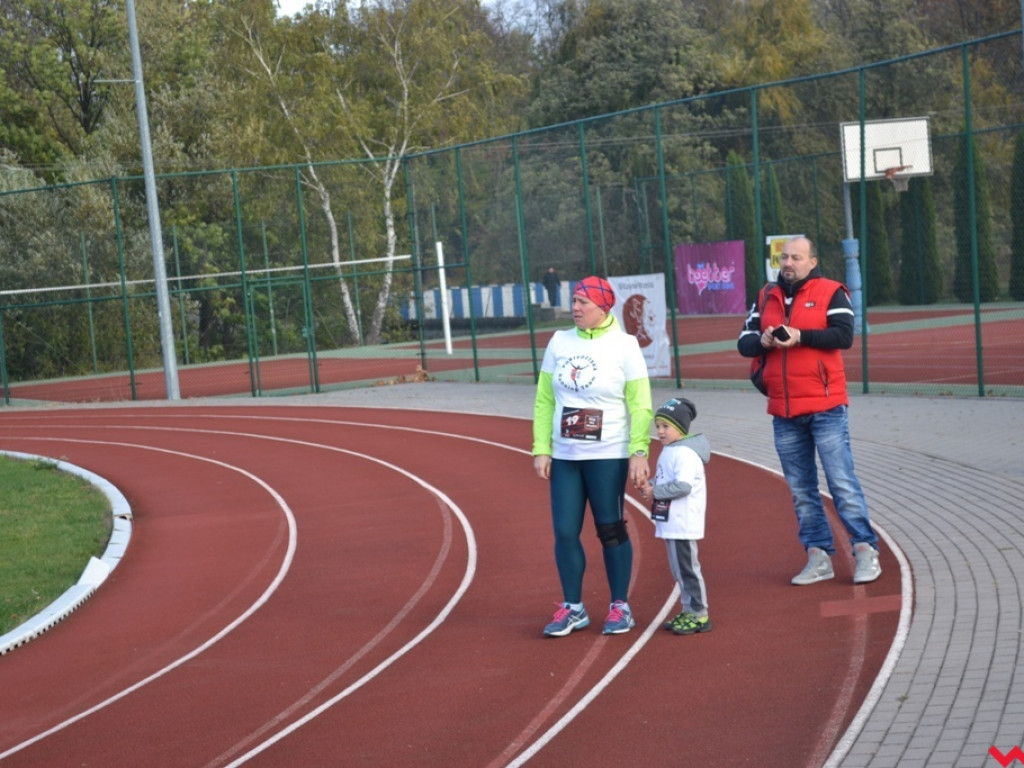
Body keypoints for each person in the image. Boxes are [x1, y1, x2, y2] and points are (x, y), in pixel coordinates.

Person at [736, 236, 881, 586]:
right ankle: (818, 556)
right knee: (801, 489)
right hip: (783, 410)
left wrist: (800, 336)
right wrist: (765, 341)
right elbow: (743, 342)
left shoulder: (833, 291)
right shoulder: (765, 295)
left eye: (796, 257)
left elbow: (844, 336)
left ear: (812, 262)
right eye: (784, 257)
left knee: (841, 482)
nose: (788, 263)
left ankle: (865, 550)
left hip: (826, 406)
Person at [533, 275, 653, 636]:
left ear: (603, 307)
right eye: (574, 301)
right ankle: (573, 607)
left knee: (610, 529)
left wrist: (639, 451)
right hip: (567, 455)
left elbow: (641, 404)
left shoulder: (625, 345)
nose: (575, 308)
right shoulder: (559, 341)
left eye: (583, 302)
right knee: (565, 531)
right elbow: (544, 399)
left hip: (608, 454)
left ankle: (621, 606)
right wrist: (542, 447)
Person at [639, 397, 713, 635]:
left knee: (687, 569)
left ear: (680, 427)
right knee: (678, 571)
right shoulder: (670, 450)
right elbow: (667, 480)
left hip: (683, 522)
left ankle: (699, 615)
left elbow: (683, 486)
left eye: (665, 427)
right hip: (671, 522)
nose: (659, 431)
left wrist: (655, 492)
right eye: (657, 426)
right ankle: (689, 608)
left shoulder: (685, 454)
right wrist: (650, 484)